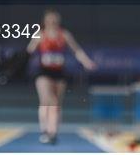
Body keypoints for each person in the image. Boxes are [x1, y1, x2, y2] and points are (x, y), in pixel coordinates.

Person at [27, 10, 96, 144]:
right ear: (45, 21)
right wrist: (19, 64)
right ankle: (44, 130)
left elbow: (76, 50)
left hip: (59, 73)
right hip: (44, 72)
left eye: (55, 20)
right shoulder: (40, 35)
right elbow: (29, 51)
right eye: (50, 20)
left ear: (58, 21)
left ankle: (53, 132)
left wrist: (86, 61)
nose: (52, 22)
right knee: (47, 100)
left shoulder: (64, 34)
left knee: (56, 104)